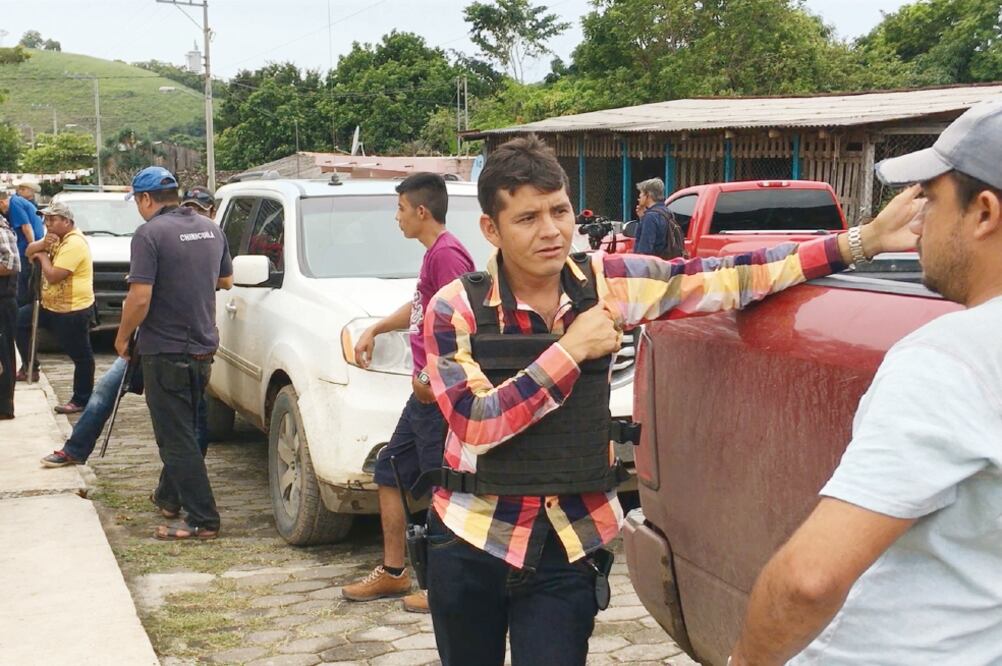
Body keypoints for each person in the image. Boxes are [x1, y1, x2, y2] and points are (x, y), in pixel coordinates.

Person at [419, 134, 919, 666]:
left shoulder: (610, 284)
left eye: (559, 211)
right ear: (491, 229)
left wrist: (860, 242)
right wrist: (571, 350)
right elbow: (476, 424)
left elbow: (733, 276)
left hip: (568, 544)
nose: (551, 230)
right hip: (471, 539)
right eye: (527, 218)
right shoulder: (456, 308)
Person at [728, 102, 1002, 666]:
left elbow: (809, 579)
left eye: (930, 199)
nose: (918, 221)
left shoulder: (950, 358)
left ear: (983, 213)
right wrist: (863, 241)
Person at [342, 172, 475, 614]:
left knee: (444, 485)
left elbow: (464, 322)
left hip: (438, 395)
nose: (396, 217)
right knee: (390, 470)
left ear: (421, 211)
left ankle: (446, 586)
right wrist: (377, 327)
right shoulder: (433, 255)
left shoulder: (449, 255)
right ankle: (394, 571)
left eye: (400, 209)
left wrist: (433, 380)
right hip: (422, 393)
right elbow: (422, 310)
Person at [116, 167, 232, 541]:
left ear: (146, 199)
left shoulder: (149, 234)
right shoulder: (211, 229)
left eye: (137, 201)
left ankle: (203, 518)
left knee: (175, 437)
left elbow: (140, 297)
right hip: (202, 346)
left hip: (165, 349)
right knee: (187, 426)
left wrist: (122, 337)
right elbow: (225, 280)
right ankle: (169, 498)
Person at [14, 201, 95, 413]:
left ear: (67, 221)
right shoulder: (55, 238)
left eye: (52, 219)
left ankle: (81, 399)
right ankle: (30, 367)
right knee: (20, 321)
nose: (47, 224)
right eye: (46, 219)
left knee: (81, 355)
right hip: (50, 305)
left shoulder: (74, 243)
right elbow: (28, 251)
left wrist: (42, 257)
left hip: (72, 308)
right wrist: (41, 245)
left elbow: (54, 275)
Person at [7, 180, 45, 306]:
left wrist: (33, 248)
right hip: (27, 250)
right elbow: (27, 227)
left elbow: (27, 227)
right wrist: (33, 248)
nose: (20, 191)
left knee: (25, 287)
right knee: (25, 287)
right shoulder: (18, 201)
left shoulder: (19, 202)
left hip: (28, 250)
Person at [0, 202, 20, 419]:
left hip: (3, 301)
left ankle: (4, 407)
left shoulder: (1, 231)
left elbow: (12, 264)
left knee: (3, 353)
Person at [633, 177, 682, 258]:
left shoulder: (650, 217)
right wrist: (642, 218)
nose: (639, 197)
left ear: (648, 195)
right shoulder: (668, 212)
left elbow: (645, 250)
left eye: (641, 193)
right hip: (667, 261)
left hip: (653, 263)